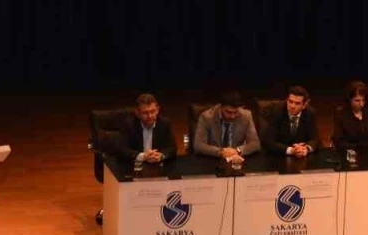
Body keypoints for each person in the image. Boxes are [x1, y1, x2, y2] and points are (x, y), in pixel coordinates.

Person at [96, 92, 177, 224]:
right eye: (145, 113)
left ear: (158, 109)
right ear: (137, 113)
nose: (150, 116)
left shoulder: (165, 124)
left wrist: (161, 155)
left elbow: (172, 148)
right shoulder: (128, 125)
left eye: (153, 111)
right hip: (133, 166)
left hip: (156, 167)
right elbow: (121, 150)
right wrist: (142, 156)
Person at [193, 90, 261, 163]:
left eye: (235, 112)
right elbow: (198, 145)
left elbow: (255, 144)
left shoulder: (246, 116)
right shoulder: (206, 117)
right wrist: (221, 152)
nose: (232, 116)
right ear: (220, 107)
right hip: (212, 160)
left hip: (237, 160)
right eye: (228, 112)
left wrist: (237, 150)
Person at [262, 85, 321, 157]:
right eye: (290, 101)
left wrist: (306, 149)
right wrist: (291, 150)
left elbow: (315, 139)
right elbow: (268, 141)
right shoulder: (277, 111)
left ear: (304, 105)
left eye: (297, 103)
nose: (292, 106)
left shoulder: (310, 113)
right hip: (279, 156)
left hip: (302, 157)